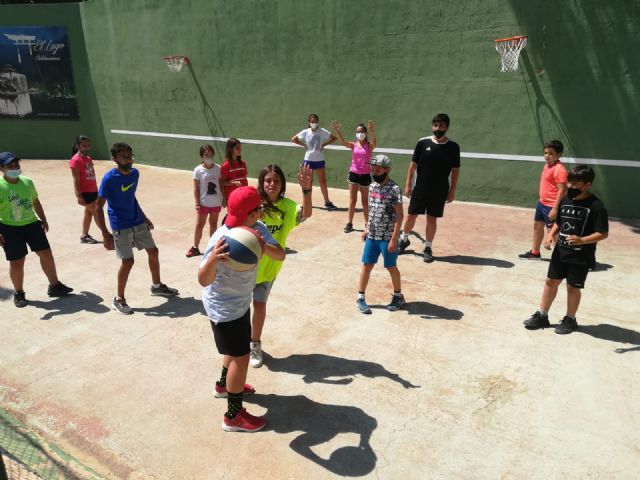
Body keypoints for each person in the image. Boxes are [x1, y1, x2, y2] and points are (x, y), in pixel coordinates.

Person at [198, 186, 285, 432]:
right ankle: (233, 416)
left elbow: (280, 255)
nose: (236, 224)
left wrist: (262, 245)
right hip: (224, 308)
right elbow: (203, 280)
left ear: (257, 213)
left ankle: (223, 386)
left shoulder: (259, 230)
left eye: (246, 217)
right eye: (235, 218)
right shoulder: (222, 239)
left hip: (239, 301)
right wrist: (213, 258)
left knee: (234, 350)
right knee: (242, 357)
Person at [95, 142, 179, 314]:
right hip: (120, 225)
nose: (128, 159)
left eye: (130, 156)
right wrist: (105, 234)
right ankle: (119, 299)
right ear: (115, 159)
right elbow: (98, 207)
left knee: (153, 251)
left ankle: (156, 286)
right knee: (128, 261)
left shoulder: (135, 174)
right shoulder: (109, 179)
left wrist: (143, 216)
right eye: (124, 156)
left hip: (137, 221)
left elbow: (131, 196)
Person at [523, 165, 608, 334]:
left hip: (581, 256)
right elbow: (559, 222)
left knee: (572, 287)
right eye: (570, 183)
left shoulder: (596, 206)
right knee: (550, 281)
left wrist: (582, 240)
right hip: (560, 252)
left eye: (576, 184)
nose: (571, 187)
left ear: (588, 184)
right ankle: (542, 315)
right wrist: (550, 236)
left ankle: (570, 319)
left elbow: (603, 233)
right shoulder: (565, 200)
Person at [249, 164, 313, 368]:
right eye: (268, 180)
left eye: (276, 181)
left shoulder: (287, 206)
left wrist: (306, 190)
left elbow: (306, 214)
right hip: (244, 268)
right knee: (240, 310)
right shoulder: (253, 204)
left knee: (259, 307)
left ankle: (255, 344)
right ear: (261, 183)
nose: (272, 184)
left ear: (282, 184)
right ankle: (241, 342)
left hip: (268, 270)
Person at [0, 152, 73, 308]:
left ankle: (55, 286)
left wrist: (43, 219)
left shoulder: (27, 182)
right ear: (1, 168)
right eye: (10, 166)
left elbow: (35, 201)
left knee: (46, 253)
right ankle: (19, 293)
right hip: (9, 228)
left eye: (16, 165)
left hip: (32, 224)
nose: (15, 168)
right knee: (17, 261)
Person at [398, 113, 460, 263]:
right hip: (420, 188)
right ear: (432, 126)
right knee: (411, 216)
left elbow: (455, 170)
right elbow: (412, 166)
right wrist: (407, 185)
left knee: (431, 220)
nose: (438, 128)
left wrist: (452, 191)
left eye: (442, 126)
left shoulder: (453, 147)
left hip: (439, 191)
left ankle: (428, 247)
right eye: (436, 125)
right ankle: (404, 240)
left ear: (447, 127)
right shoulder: (422, 143)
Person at [356, 154, 405, 314]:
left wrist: (394, 239)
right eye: (372, 169)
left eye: (377, 170)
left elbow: (400, 216)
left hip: (387, 238)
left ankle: (398, 296)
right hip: (372, 236)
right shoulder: (372, 186)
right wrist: (366, 228)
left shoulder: (394, 189)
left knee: (391, 266)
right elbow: (371, 210)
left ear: (387, 170)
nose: (374, 172)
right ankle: (360, 297)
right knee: (366, 266)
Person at [519, 140, 568, 259]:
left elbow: (563, 190)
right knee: (537, 226)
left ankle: (565, 257)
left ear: (558, 154)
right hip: (542, 204)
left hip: (551, 206)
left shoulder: (559, 169)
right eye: (545, 153)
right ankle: (535, 252)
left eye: (551, 153)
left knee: (553, 233)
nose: (547, 156)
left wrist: (555, 209)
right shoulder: (547, 166)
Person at [331, 120, 377, 233]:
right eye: (357, 132)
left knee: (365, 202)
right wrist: (337, 131)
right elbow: (342, 142)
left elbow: (374, 142)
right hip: (354, 174)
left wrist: (372, 131)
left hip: (365, 175)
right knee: (352, 201)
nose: (359, 133)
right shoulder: (353, 145)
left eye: (361, 131)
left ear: (365, 133)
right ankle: (350, 223)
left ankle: (367, 225)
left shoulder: (369, 146)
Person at [291, 113, 338, 210]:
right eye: (312, 121)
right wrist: (303, 144)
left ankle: (327, 202)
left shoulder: (322, 131)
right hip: (308, 159)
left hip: (319, 159)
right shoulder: (305, 132)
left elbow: (334, 138)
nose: (314, 123)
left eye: (315, 121)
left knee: (323, 181)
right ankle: (307, 202)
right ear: (309, 122)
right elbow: (293, 139)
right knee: (308, 182)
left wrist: (324, 145)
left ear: (317, 122)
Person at [186, 144, 224, 258]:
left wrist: (224, 199)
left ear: (213, 153)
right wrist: (197, 203)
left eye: (210, 153)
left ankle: (212, 248)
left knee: (213, 224)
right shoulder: (198, 170)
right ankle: (195, 247)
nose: (208, 156)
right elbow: (196, 188)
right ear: (201, 156)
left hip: (216, 202)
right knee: (199, 225)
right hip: (203, 203)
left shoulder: (218, 168)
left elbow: (221, 185)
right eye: (205, 154)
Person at [69, 135, 100, 244]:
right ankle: (108, 235)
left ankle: (84, 235)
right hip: (85, 193)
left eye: (88, 145)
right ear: (78, 146)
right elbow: (75, 180)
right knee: (97, 213)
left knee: (89, 213)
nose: (87, 147)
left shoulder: (88, 158)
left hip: (93, 191)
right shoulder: (75, 161)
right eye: (84, 145)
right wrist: (78, 196)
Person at [220, 138, 248, 203]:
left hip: (243, 196)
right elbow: (222, 183)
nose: (240, 150)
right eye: (237, 148)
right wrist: (233, 182)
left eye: (240, 148)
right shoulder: (226, 165)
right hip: (232, 198)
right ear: (231, 149)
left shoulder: (243, 163)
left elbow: (244, 180)